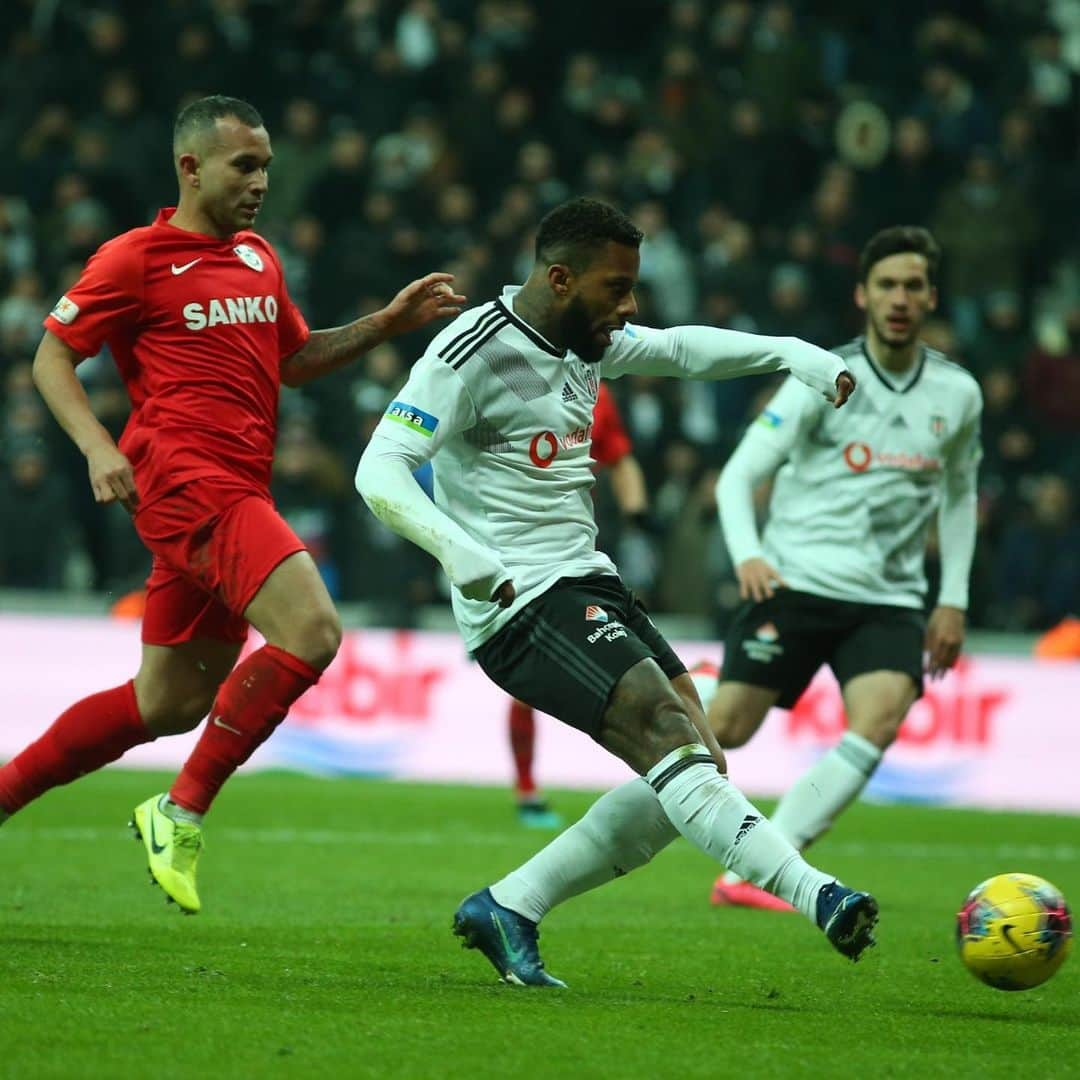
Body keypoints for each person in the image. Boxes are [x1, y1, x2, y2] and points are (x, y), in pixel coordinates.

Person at [355, 196, 876, 988]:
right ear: (560, 278)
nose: (629, 306)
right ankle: (819, 895)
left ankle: (510, 904)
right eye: (616, 287)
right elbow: (379, 467)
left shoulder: (582, 339)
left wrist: (791, 353)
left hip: (585, 578)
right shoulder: (469, 352)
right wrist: (457, 552)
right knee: (669, 730)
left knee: (699, 757)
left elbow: (681, 350)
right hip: (516, 601)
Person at [0, 95, 464, 915]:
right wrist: (99, 446)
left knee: (169, 702)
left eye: (266, 168)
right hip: (184, 479)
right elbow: (50, 358)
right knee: (315, 630)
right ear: (191, 167)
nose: (259, 183)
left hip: (237, 486)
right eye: (243, 167)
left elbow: (294, 357)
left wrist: (387, 323)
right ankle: (178, 811)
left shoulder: (257, 258)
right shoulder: (135, 258)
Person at [695, 225, 982, 911]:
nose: (900, 298)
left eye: (913, 286)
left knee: (881, 716)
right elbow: (736, 478)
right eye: (887, 285)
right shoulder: (823, 379)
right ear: (863, 295)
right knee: (727, 730)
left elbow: (961, 495)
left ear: (932, 297)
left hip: (887, 598)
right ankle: (702, 686)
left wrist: (954, 599)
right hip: (795, 581)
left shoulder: (958, 394)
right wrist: (749, 555)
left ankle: (760, 869)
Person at [509, 380, 649, 828]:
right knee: (524, 680)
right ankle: (527, 788)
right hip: (512, 549)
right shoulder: (506, 378)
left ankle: (659, 775)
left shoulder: (595, 392)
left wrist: (638, 513)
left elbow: (618, 456)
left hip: (576, 552)